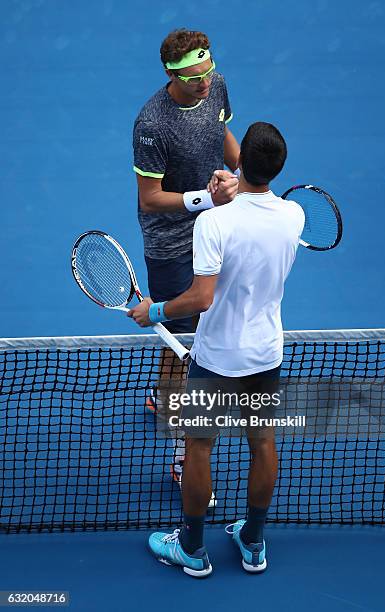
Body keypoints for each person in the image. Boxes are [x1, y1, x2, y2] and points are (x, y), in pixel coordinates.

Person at [128, 122, 305, 577]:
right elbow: (259, 205)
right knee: (262, 442)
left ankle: (191, 547)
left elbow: (201, 299)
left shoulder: (213, 222)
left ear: (238, 160)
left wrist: (157, 311)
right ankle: (253, 540)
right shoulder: (294, 215)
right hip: (266, 353)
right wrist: (241, 188)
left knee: (199, 447)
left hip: (217, 358)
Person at [133, 28, 240, 489]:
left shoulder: (215, 83)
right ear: (171, 75)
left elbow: (222, 128)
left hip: (217, 227)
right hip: (172, 243)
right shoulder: (151, 124)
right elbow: (150, 198)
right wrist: (206, 200)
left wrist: (245, 175)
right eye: (194, 77)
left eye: (207, 71)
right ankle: (182, 452)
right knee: (188, 343)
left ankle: (162, 395)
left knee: (183, 340)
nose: (204, 82)